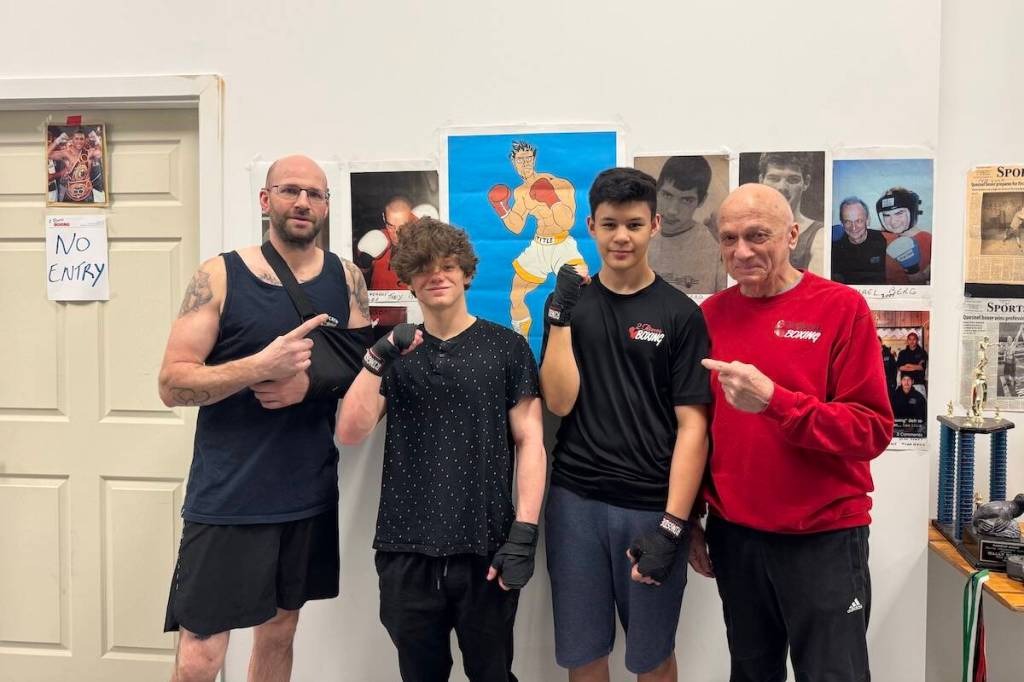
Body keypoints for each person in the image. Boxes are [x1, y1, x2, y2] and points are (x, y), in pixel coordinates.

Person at [157, 155, 372, 682]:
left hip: (306, 491)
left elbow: (363, 368)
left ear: (326, 205)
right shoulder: (220, 274)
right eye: (290, 191)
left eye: (314, 194)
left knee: (278, 635)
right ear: (265, 200)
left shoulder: (347, 278)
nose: (302, 203)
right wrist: (259, 366)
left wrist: (309, 383)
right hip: (228, 495)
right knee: (199, 656)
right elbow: (171, 383)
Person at [693, 183, 893, 681]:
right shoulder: (709, 315)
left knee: (833, 674)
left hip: (822, 538)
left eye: (758, 235)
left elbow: (872, 430)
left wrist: (776, 402)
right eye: (729, 238)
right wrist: (692, 516)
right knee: (751, 671)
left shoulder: (841, 308)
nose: (741, 252)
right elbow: (696, 428)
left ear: (792, 234)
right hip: (735, 536)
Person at [337, 217, 546, 682]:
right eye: (424, 268)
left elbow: (531, 440)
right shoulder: (393, 352)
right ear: (409, 280)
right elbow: (351, 432)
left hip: (485, 547)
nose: (438, 275)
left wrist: (525, 533)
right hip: (405, 547)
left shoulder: (506, 347)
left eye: (449, 265)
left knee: (493, 674)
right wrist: (378, 357)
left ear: (467, 273)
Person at [539, 167, 711, 682]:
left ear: (654, 224)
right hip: (576, 504)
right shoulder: (567, 305)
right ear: (590, 225)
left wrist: (674, 525)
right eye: (610, 224)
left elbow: (694, 428)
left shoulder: (680, 314)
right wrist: (560, 318)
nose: (621, 237)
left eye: (634, 225)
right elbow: (559, 402)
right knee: (583, 653)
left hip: (650, 508)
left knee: (651, 657)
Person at [487, 140, 587, 337]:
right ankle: (522, 341)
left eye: (528, 159)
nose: (524, 164)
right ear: (513, 162)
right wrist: (501, 207)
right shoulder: (521, 193)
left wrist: (551, 199)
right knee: (516, 296)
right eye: (520, 160)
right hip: (539, 246)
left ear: (534, 159)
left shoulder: (559, 184)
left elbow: (567, 222)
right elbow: (516, 226)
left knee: (581, 293)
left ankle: (581, 342)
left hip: (562, 246)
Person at [647, 156, 726, 294]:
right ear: (656, 191)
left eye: (686, 200)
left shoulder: (715, 246)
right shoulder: (638, 239)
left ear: (701, 201)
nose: (672, 210)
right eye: (667, 195)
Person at [756, 152, 824, 272]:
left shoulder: (819, 234)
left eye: (792, 180)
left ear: (806, 182)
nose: (782, 187)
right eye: (774, 179)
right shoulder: (745, 229)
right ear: (761, 180)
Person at [876, 187, 932, 285]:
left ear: (912, 211)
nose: (893, 221)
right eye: (886, 215)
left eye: (899, 213)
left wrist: (913, 270)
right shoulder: (881, 237)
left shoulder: (929, 241)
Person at [831, 197, 886, 285]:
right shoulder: (834, 246)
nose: (853, 227)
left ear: (867, 221)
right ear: (842, 223)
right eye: (847, 222)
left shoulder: (883, 240)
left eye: (859, 221)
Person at [47, 127, 105, 203]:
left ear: (85, 140)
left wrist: (96, 139)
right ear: (72, 140)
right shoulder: (66, 153)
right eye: (76, 139)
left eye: (81, 139)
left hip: (86, 194)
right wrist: (58, 140)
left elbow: (102, 153)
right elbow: (46, 155)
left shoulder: (89, 153)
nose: (79, 141)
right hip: (70, 194)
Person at [896, 331, 928, 395]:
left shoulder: (922, 352)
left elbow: (921, 367)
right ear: (907, 341)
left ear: (917, 340)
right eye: (910, 339)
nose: (912, 341)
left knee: (920, 404)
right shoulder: (902, 353)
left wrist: (908, 365)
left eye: (914, 339)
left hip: (918, 384)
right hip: (905, 386)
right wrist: (916, 367)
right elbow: (900, 368)